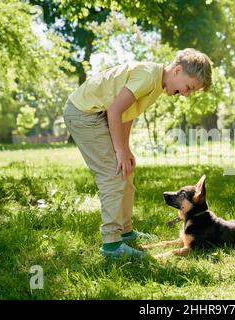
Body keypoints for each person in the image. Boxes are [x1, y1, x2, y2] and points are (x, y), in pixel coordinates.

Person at [63, 48, 213, 259]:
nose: (187, 94)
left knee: (125, 170)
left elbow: (126, 114)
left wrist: (125, 148)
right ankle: (112, 245)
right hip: (83, 114)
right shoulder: (148, 77)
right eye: (189, 87)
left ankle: (125, 233)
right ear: (177, 70)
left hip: (97, 114)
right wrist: (119, 150)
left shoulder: (156, 84)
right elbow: (115, 110)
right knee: (113, 174)